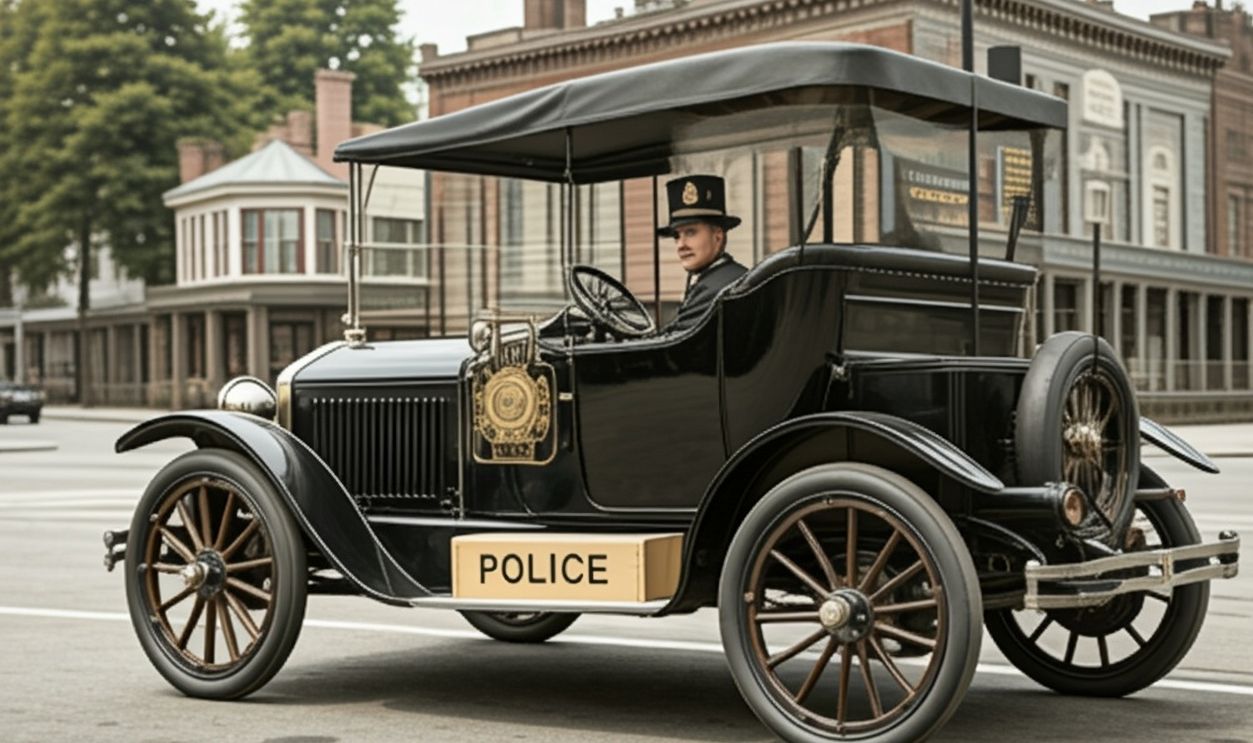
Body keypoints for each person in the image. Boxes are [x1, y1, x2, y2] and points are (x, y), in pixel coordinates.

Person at [656, 175, 747, 333]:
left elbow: (675, 343)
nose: (681, 245)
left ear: (718, 236)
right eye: (677, 236)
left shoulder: (718, 288)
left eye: (690, 232)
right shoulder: (725, 276)